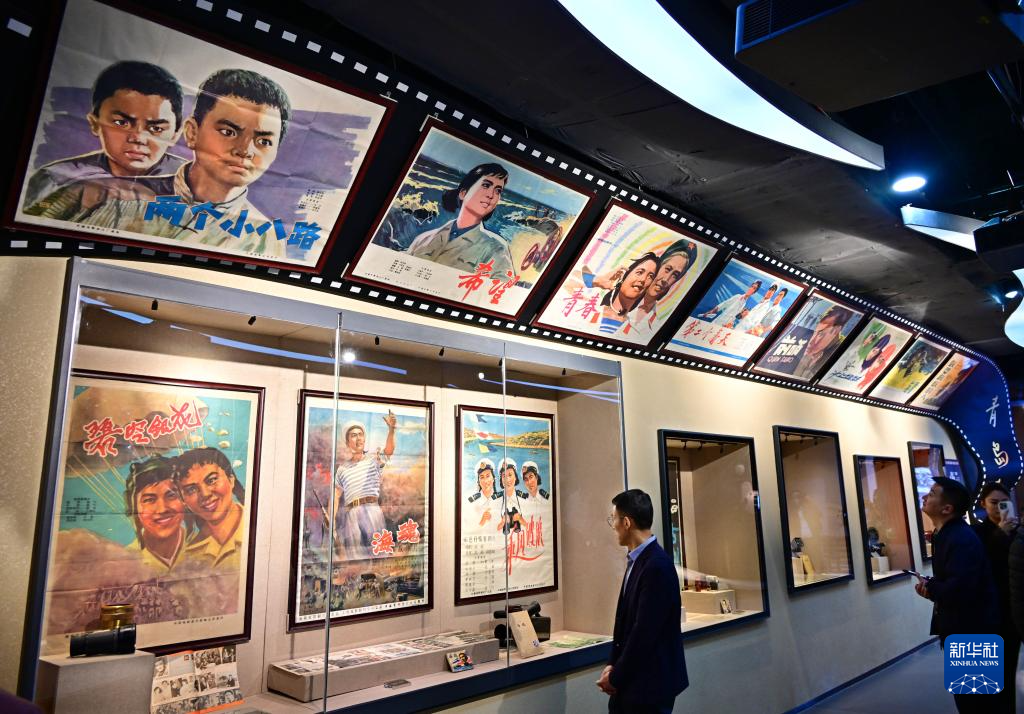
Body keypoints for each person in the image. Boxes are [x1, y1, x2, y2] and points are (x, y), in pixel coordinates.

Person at [33, 68, 292, 259]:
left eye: (263, 141)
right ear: (191, 132)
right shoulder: (106, 194)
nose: (245, 151)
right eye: (228, 132)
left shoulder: (264, 235)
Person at [22, 61, 185, 211]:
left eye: (156, 128)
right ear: (95, 123)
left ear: (175, 135)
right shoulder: (54, 179)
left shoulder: (191, 184)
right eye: (121, 123)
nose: (138, 138)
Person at [914, 477, 998, 714]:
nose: (925, 497)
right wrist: (932, 588)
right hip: (964, 627)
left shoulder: (960, 538)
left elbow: (960, 589)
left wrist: (932, 588)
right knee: (970, 698)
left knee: (976, 702)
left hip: (973, 630)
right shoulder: (945, 534)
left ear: (947, 508)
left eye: (931, 494)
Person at [598, 489, 687, 713]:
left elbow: (644, 632)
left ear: (626, 522)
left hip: (649, 687)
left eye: (613, 519)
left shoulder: (656, 565)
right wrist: (612, 664)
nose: (613, 526)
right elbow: (625, 623)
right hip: (634, 681)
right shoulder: (639, 560)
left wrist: (615, 676)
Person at [406, 163, 514, 276]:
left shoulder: (497, 248)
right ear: (463, 193)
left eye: (498, 191)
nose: (491, 195)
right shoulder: (423, 238)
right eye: (486, 185)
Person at [972, 482, 1019, 713]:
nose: (999, 507)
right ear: (983, 504)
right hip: (986, 612)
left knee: (1008, 671)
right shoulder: (976, 533)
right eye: (993, 503)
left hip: (1012, 610)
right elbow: (981, 563)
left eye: (1004, 503)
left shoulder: (1017, 531)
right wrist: (1000, 533)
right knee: (982, 679)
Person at [333, 412, 397, 556]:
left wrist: (392, 429)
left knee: (378, 554)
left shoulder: (374, 459)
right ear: (347, 442)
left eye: (360, 434)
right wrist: (331, 519)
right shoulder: (342, 469)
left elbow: (389, 450)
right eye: (353, 435)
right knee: (356, 557)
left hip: (372, 510)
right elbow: (336, 496)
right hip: (351, 514)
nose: (358, 438)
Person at [174, 447, 246, 569]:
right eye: (191, 489)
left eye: (212, 480)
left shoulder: (259, 526)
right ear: (183, 500)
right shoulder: (190, 555)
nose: (205, 494)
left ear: (231, 480)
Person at [622, 240, 699, 337]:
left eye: (675, 275)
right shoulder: (621, 298)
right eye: (667, 269)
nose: (666, 279)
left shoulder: (656, 324)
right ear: (658, 266)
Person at [124, 455, 185, 571]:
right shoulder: (125, 561)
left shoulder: (202, 546)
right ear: (133, 507)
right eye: (149, 500)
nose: (162, 509)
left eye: (171, 496)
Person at [596, 253, 659, 336]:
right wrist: (597, 281)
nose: (643, 279)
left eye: (650, 276)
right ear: (624, 276)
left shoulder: (638, 331)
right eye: (640, 272)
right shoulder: (593, 308)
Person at [789, 304, 854, 380]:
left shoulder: (840, 353)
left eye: (820, 334)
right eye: (815, 332)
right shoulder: (808, 347)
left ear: (836, 331)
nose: (811, 341)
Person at [466, 458, 500, 528]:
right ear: (478, 482)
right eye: (482, 477)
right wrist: (482, 521)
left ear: (493, 479)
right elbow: (468, 528)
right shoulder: (473, 502)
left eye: (488, 476)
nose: (485, 481)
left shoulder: (501, 499)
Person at [497, 458, 528, 534]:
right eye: (504, 476)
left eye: (510, 475)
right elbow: (491, 528)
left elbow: (532, 526)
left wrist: (520, 519)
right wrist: (502, 522)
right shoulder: (496, 499)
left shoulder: (524, 498)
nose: (507, 479)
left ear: (515, 477)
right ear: (501, 479)